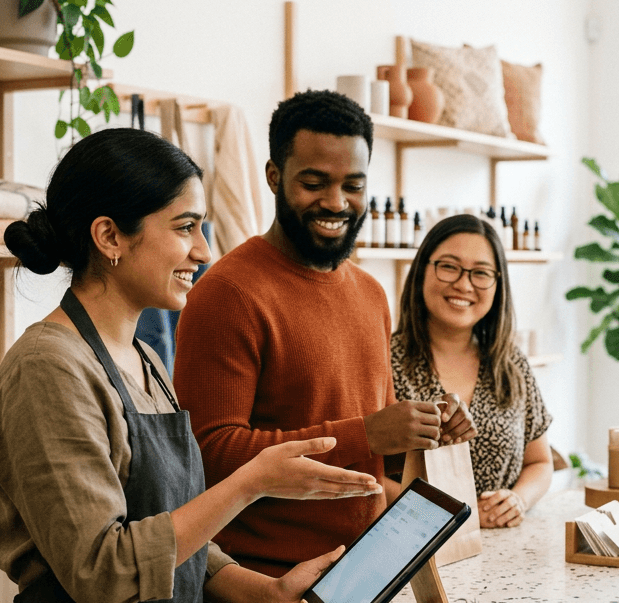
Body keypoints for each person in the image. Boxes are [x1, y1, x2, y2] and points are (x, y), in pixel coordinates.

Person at [0, 128, 382, 603]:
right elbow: (102, 571)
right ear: (109, 237)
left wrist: (269, 592)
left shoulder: (141, 359)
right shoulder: (49, 368)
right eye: (185, 227)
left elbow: (179, 533)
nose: (202, 249)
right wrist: (251, 481)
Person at [173, 90, 475, 576]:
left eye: (353, 185)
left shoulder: (372, 293)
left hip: (366, 574)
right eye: (314, 183)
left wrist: (423, 432)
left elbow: (374, 460)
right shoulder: (226, 293)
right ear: (274, 177)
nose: (336, 202)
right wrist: (368, 434)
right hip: (265, 585)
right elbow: (209, 457)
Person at [390, 214, 553, 528]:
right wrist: (444, 519)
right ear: (422, 269)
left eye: (480, 273)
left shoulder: (510, 363)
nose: (463, 285)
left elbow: (540, 462)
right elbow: (368, 479)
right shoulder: (383, 361)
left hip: (504, 549)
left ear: (497, 284)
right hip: (415, 548)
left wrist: (519, 499)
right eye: (449, 266)